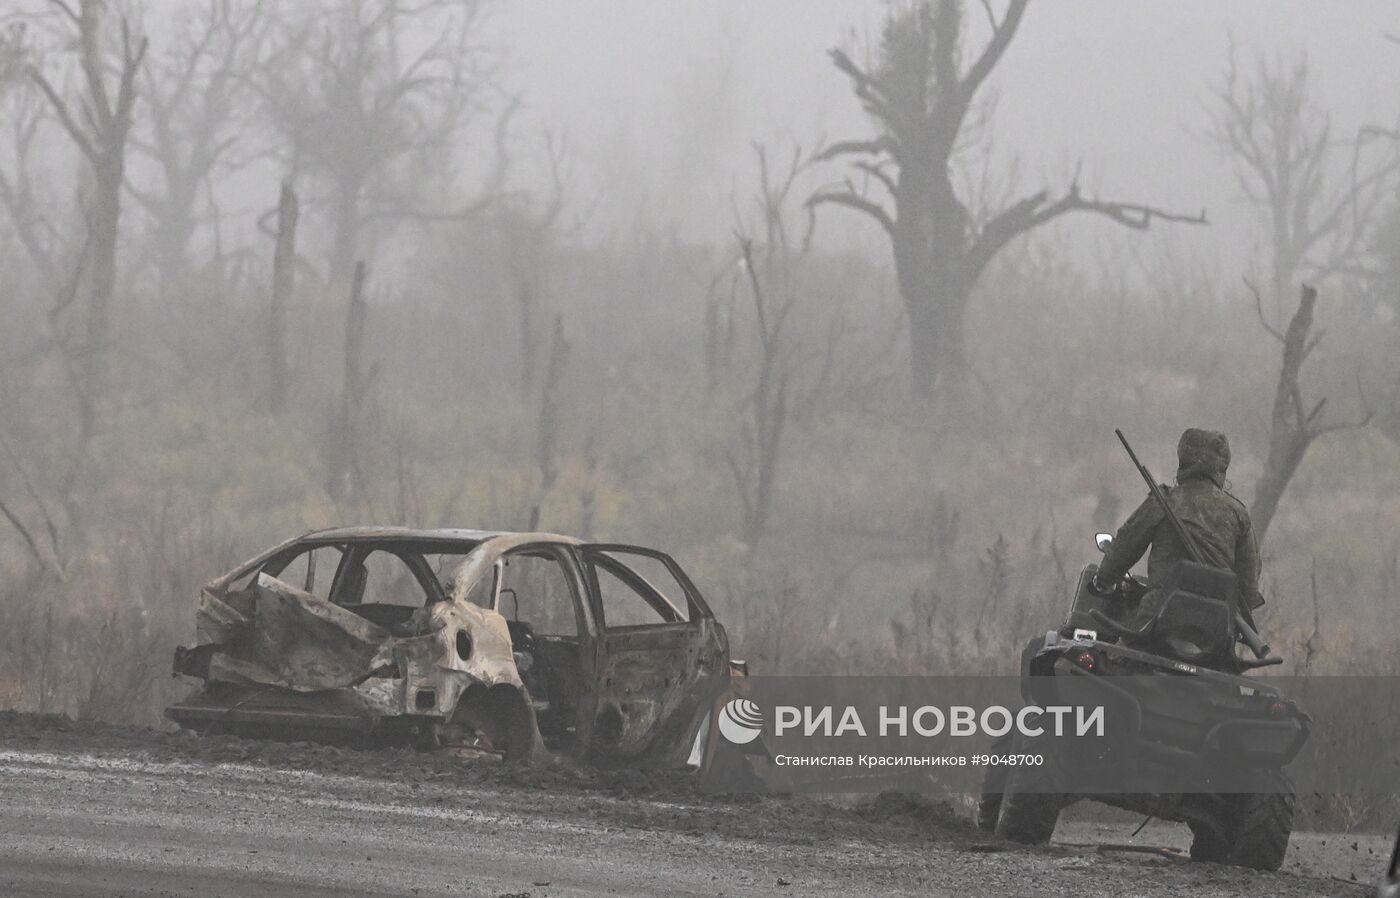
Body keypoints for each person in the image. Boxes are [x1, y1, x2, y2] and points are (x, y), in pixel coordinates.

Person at [1093, 428, 1260, 632]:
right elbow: (1248, 586)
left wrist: (1103, 579)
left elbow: (1124, 548)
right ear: (1222, 466)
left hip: (1155, 621)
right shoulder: (1238, 514)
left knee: (1114, 648)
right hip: (1214, 630)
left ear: (1183, 459)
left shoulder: (1164, 500)